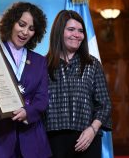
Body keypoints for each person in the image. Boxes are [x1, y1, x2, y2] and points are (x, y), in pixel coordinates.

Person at [0, 2, 51, 158]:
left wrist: (28, 111)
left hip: (30, 136)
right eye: (22, 24)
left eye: (31, 28)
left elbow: (42, 99)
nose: (25, 32)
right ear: (11, 23)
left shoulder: (40, 61)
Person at [44, 10, 112, 158]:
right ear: (59, 32)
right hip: (52, 142)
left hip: (87, 139)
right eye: (71, 29)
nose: (77, 34)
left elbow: (104, 104)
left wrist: (93, 130)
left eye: (80, 31)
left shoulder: (92, 64)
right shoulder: (43, 65)